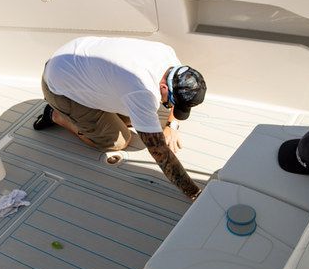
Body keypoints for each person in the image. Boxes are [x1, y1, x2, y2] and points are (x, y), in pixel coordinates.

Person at [34, 36, 206, 201]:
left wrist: (172, 125)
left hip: (75, 62)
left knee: (139, 119)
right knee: (118, 142)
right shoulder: (142, 91)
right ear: (163, 87)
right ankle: (57, 115)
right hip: (58, 87)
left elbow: (171, 97)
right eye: (172, 103)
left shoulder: (170, 58)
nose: (169, 106)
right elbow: (160, 154)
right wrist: (194, 192)